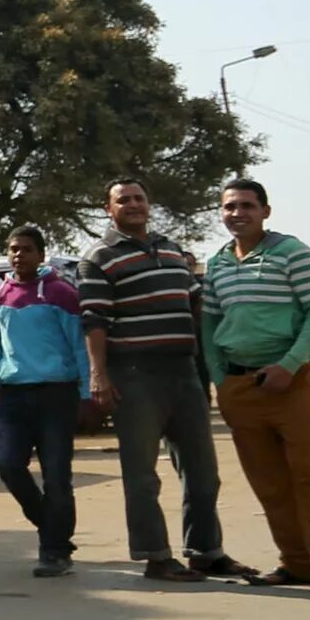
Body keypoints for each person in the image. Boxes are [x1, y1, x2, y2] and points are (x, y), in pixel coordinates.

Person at [78, 178, 247, 582]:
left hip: (183, 371)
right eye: (124, 200)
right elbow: (94, 320)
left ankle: (206, 551)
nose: (134, 205)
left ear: (148, 204)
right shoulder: (98, 258)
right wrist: (99, 375)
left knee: (203, 471)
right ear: (109, 209)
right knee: (142, 474)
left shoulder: (170, 249)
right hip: (134, 375)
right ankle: (156, 556)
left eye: (139, 198)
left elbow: (194, 302)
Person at [201, 179, 310, 591]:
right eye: (229, 207)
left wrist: (291, 364)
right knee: (269, 484)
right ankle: (297, 565)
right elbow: (209, 323)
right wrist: (220, 378)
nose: (237, 214)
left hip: (292, 382)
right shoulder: (218, 263)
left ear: (265, 211)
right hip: (240, 387)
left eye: (247, 206)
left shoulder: (291, 252)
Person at [0, 225, 92, 578]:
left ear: (41, 254)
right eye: (13, 249)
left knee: (57, 474)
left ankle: (55, 551)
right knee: (8, 465)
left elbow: (79, 346)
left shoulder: (61, 293)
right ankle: (50, 527)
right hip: (13, 395)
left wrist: (87, 394)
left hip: (57, 393)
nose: (18, 255)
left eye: (26, 249)